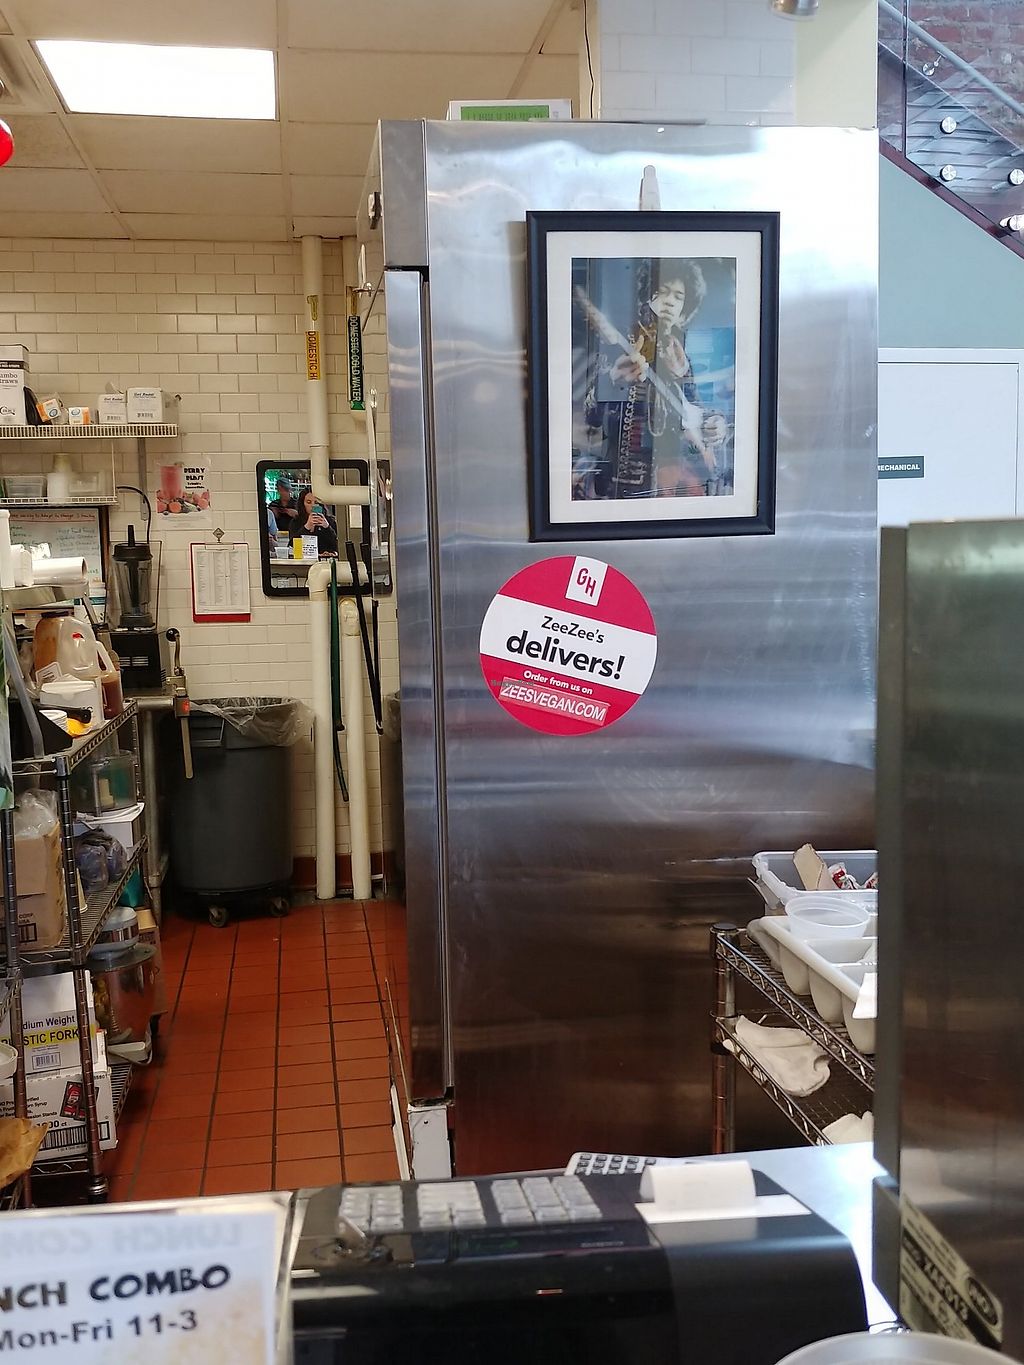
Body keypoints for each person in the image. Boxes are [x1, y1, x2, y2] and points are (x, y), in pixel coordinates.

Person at [573, 258, 731, 502]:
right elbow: (590, 415)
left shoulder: (679, 355)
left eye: (678, 296)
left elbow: (693, 407)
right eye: (662, 292)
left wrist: (713, 423)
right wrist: (613, 381)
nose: (670, 301)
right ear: (647, 297)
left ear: (685, 308)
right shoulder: (619, 344)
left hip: (672, 482)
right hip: (621, 482)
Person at [294, 488, 339, 558]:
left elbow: (338, 546)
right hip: (305, 561)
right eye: (309, 502)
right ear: (303, 504)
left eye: (316, 502)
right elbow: (292, 546)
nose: (313, 505)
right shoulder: (296, 522)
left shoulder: (330, 521)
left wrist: (327, 527)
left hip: (327, 560)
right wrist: (306, 527)